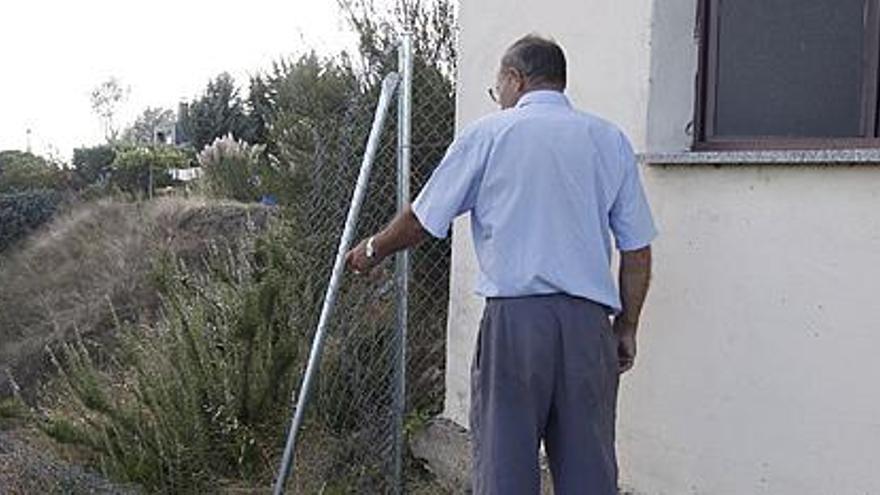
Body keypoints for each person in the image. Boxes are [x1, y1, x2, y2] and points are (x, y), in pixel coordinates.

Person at [345, 34, 656, 495]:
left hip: (515, 325)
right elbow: (637, 251)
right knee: (590, 471)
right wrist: (627, 326)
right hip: (589, 327)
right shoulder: (608, 140)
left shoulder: (489, 135)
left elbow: (422, 220)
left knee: (505, 466)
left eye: (498, 88)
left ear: (515, 79)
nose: (499, 97)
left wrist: (372, 249)